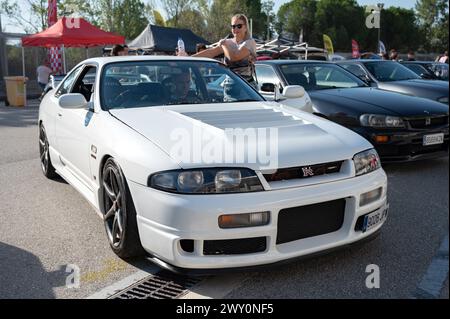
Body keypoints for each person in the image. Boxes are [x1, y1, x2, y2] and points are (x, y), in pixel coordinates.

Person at [190, 14, 257, 86]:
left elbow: (234, 57)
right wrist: (189, 58)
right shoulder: (228, 42)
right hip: (230, 86)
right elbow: (210, 53)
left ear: (246, 27)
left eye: (239, 26)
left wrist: (224, 45)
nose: (236, 29)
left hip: (247, 87)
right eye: (233, 26)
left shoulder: (250, 42)